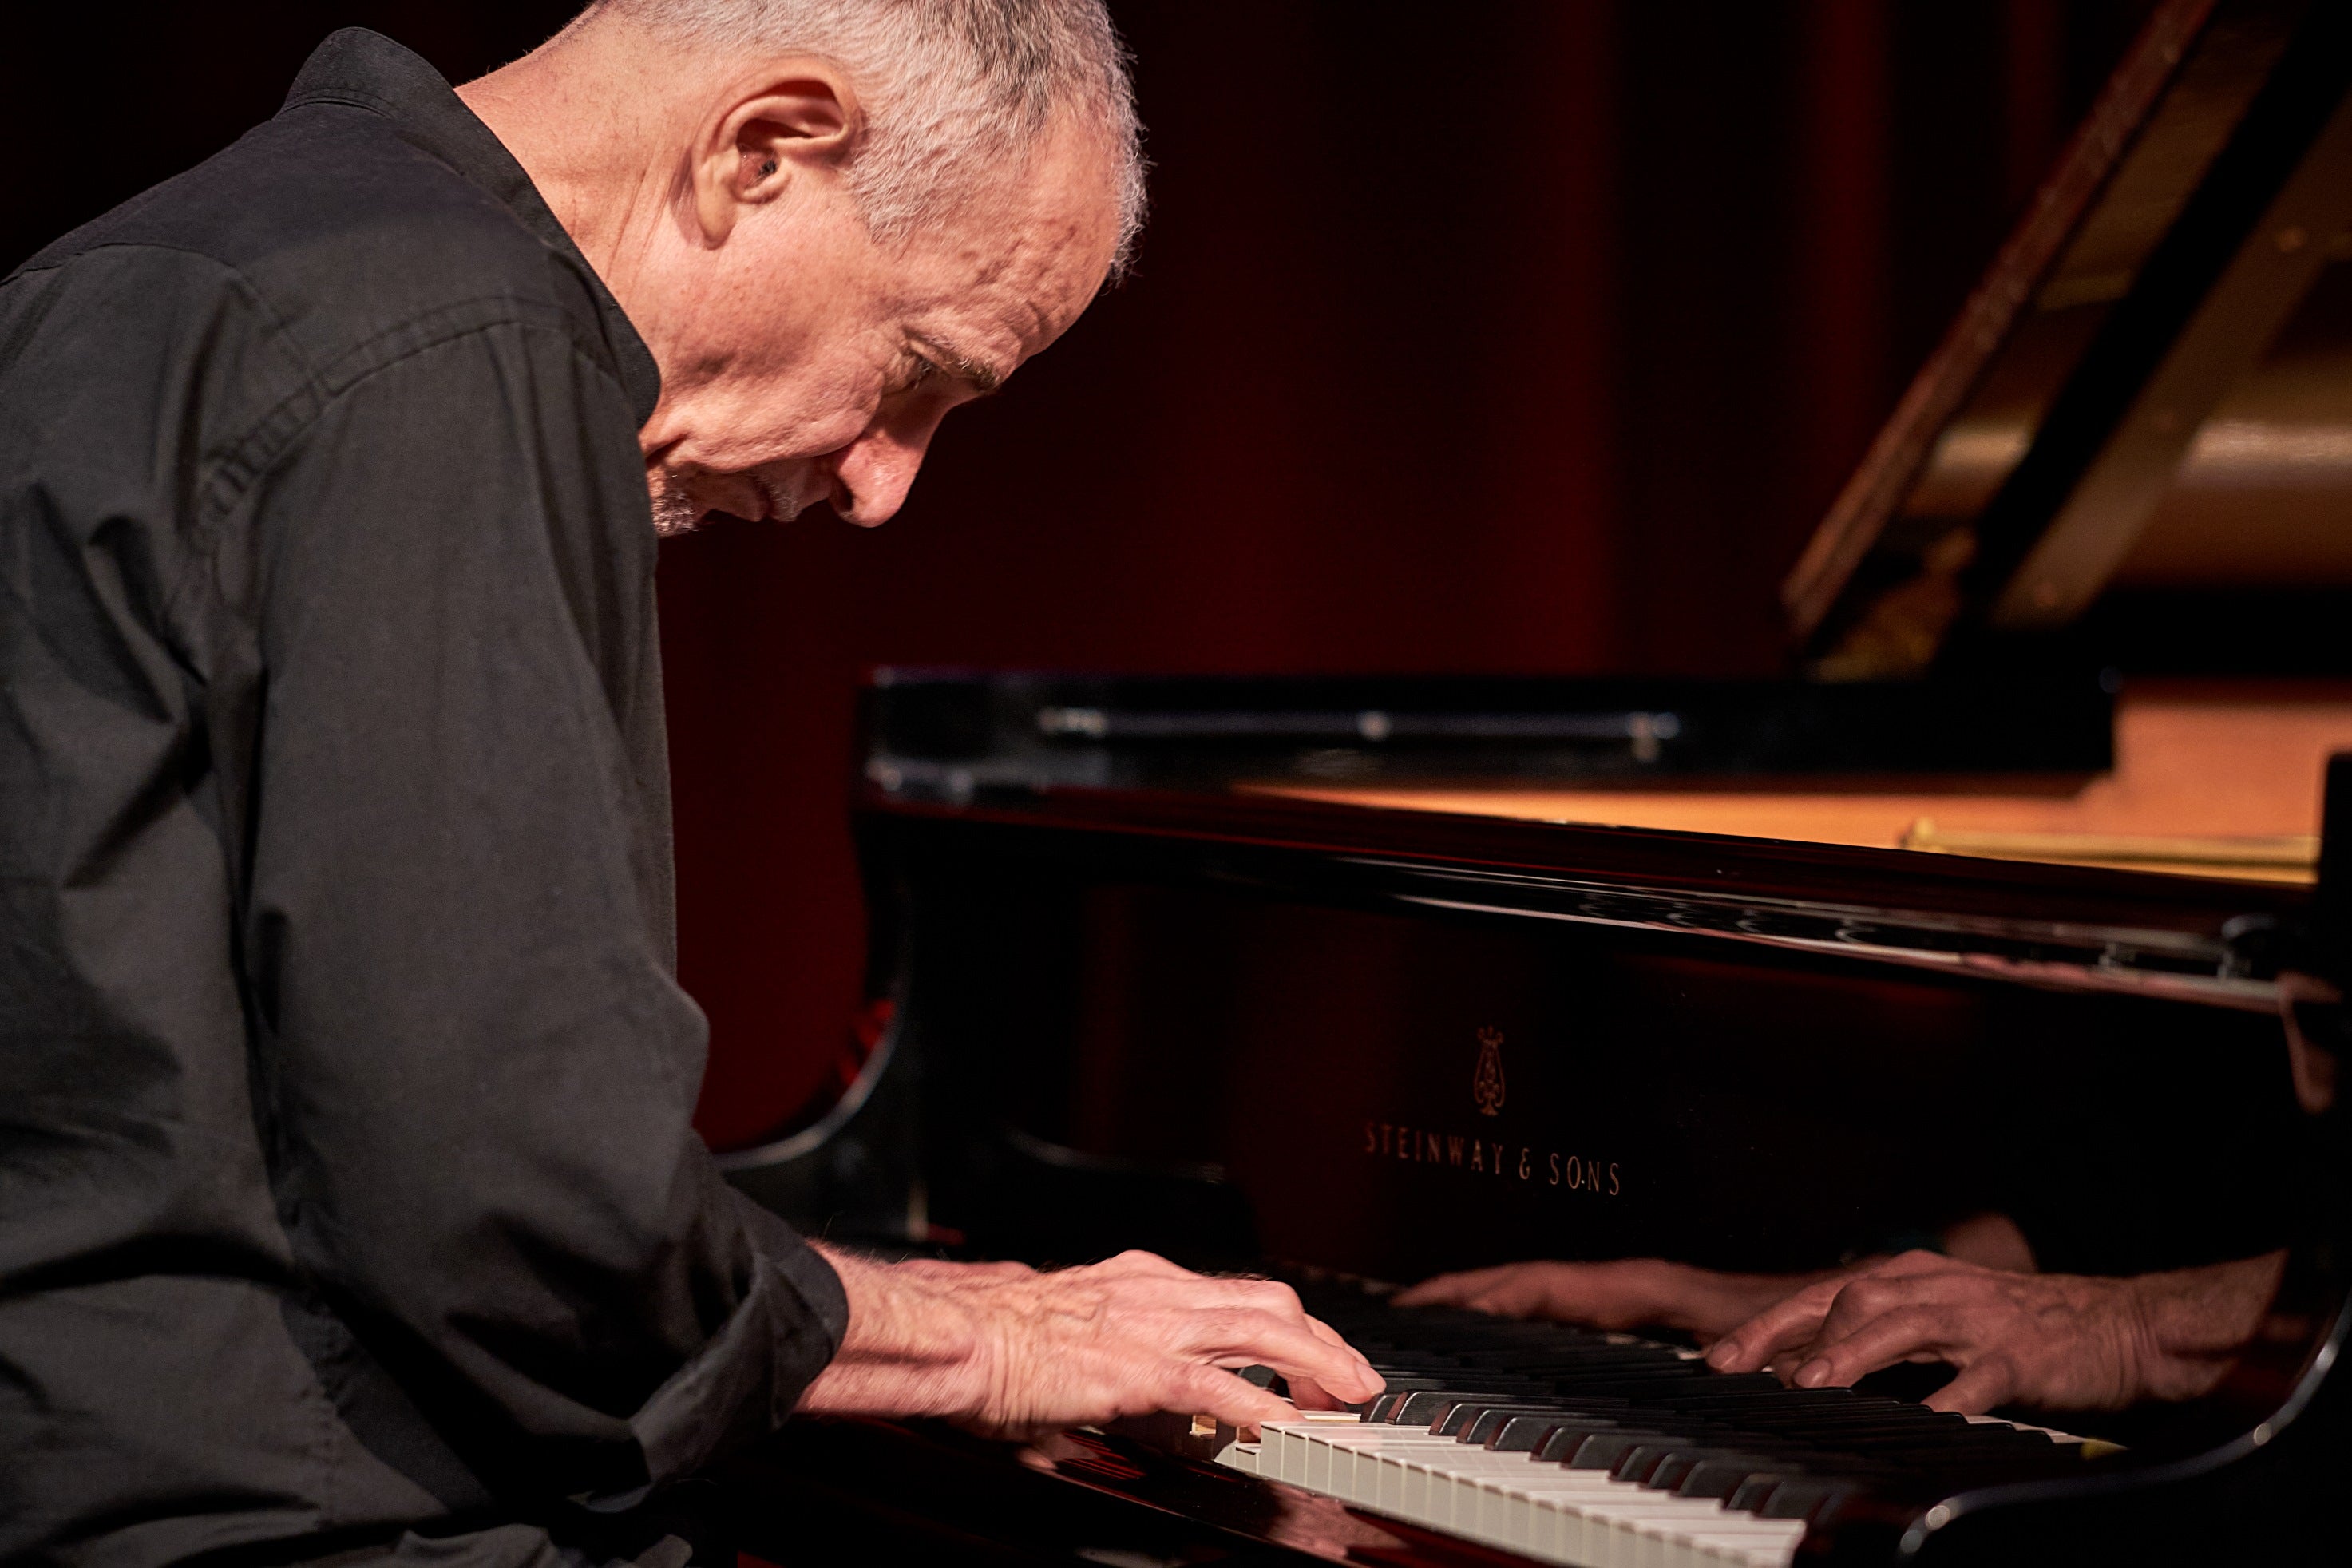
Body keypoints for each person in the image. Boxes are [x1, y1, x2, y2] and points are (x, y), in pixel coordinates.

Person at [0, 4, 1380, 1564]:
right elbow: (515, 1217)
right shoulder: (446, 341)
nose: (881, 485)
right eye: (918, 371)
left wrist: (876, 1305)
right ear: (762, 149)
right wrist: (988, 1344)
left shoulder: (149, 274)